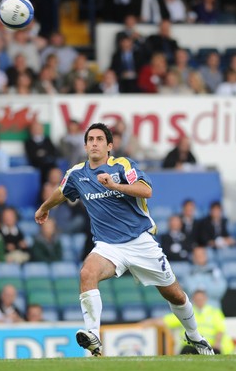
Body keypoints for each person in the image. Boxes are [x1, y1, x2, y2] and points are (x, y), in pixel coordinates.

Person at [34, 122, 215, 357]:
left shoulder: (122, 165)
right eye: (90, 139)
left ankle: (194, 335)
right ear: (85, 145)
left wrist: (115, 185)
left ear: (109, 145)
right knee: (87, 273)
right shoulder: (77, 174)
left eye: (100, 139)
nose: (95, 143)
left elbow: (146, 190)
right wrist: (44, 208)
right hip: (109, 246)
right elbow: (62, 191)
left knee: (175, 295)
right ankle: (94, 337)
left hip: (140, 241)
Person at [139, 290, 234, 355]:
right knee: (186, 350)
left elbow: (220, 330)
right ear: (193, 300)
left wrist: (217, 343)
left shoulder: (214, 312)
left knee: (216, 351)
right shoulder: (187, 313)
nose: (199, 301)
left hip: (210, 345)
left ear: (205, 299)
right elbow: (165, 321)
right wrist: (146, 323)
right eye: (197, 299)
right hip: (192, 346)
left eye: (201, 299)